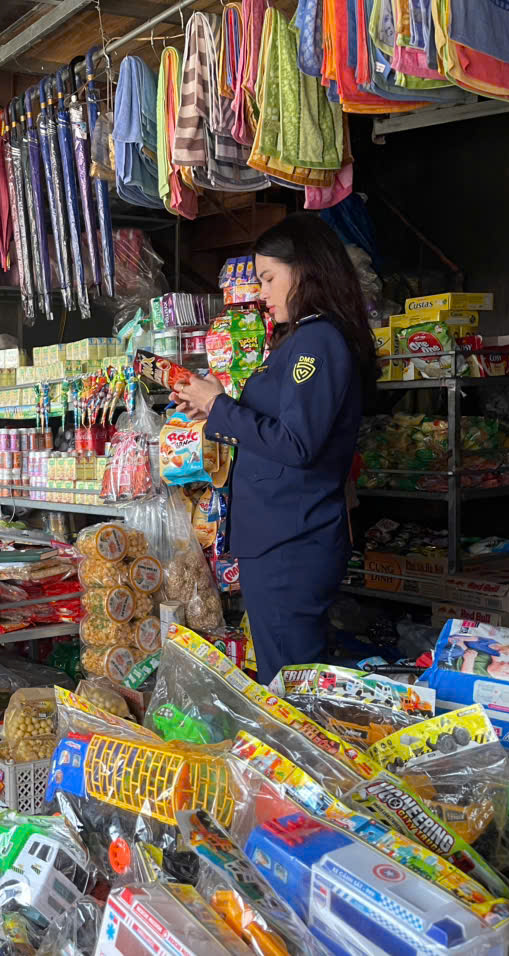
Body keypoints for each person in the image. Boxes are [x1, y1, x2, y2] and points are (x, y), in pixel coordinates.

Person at [172, 214, 376, 684]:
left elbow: (298, 443)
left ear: (304, 270)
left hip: (293, 538)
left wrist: (220, 405)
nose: (261, 292)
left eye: (268, 278)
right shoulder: (298, 339)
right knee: (283, 672)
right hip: (279, 534)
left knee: (287, 680)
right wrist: (213, 408)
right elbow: (282, 427)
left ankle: (299, 759)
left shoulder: (317, 342)